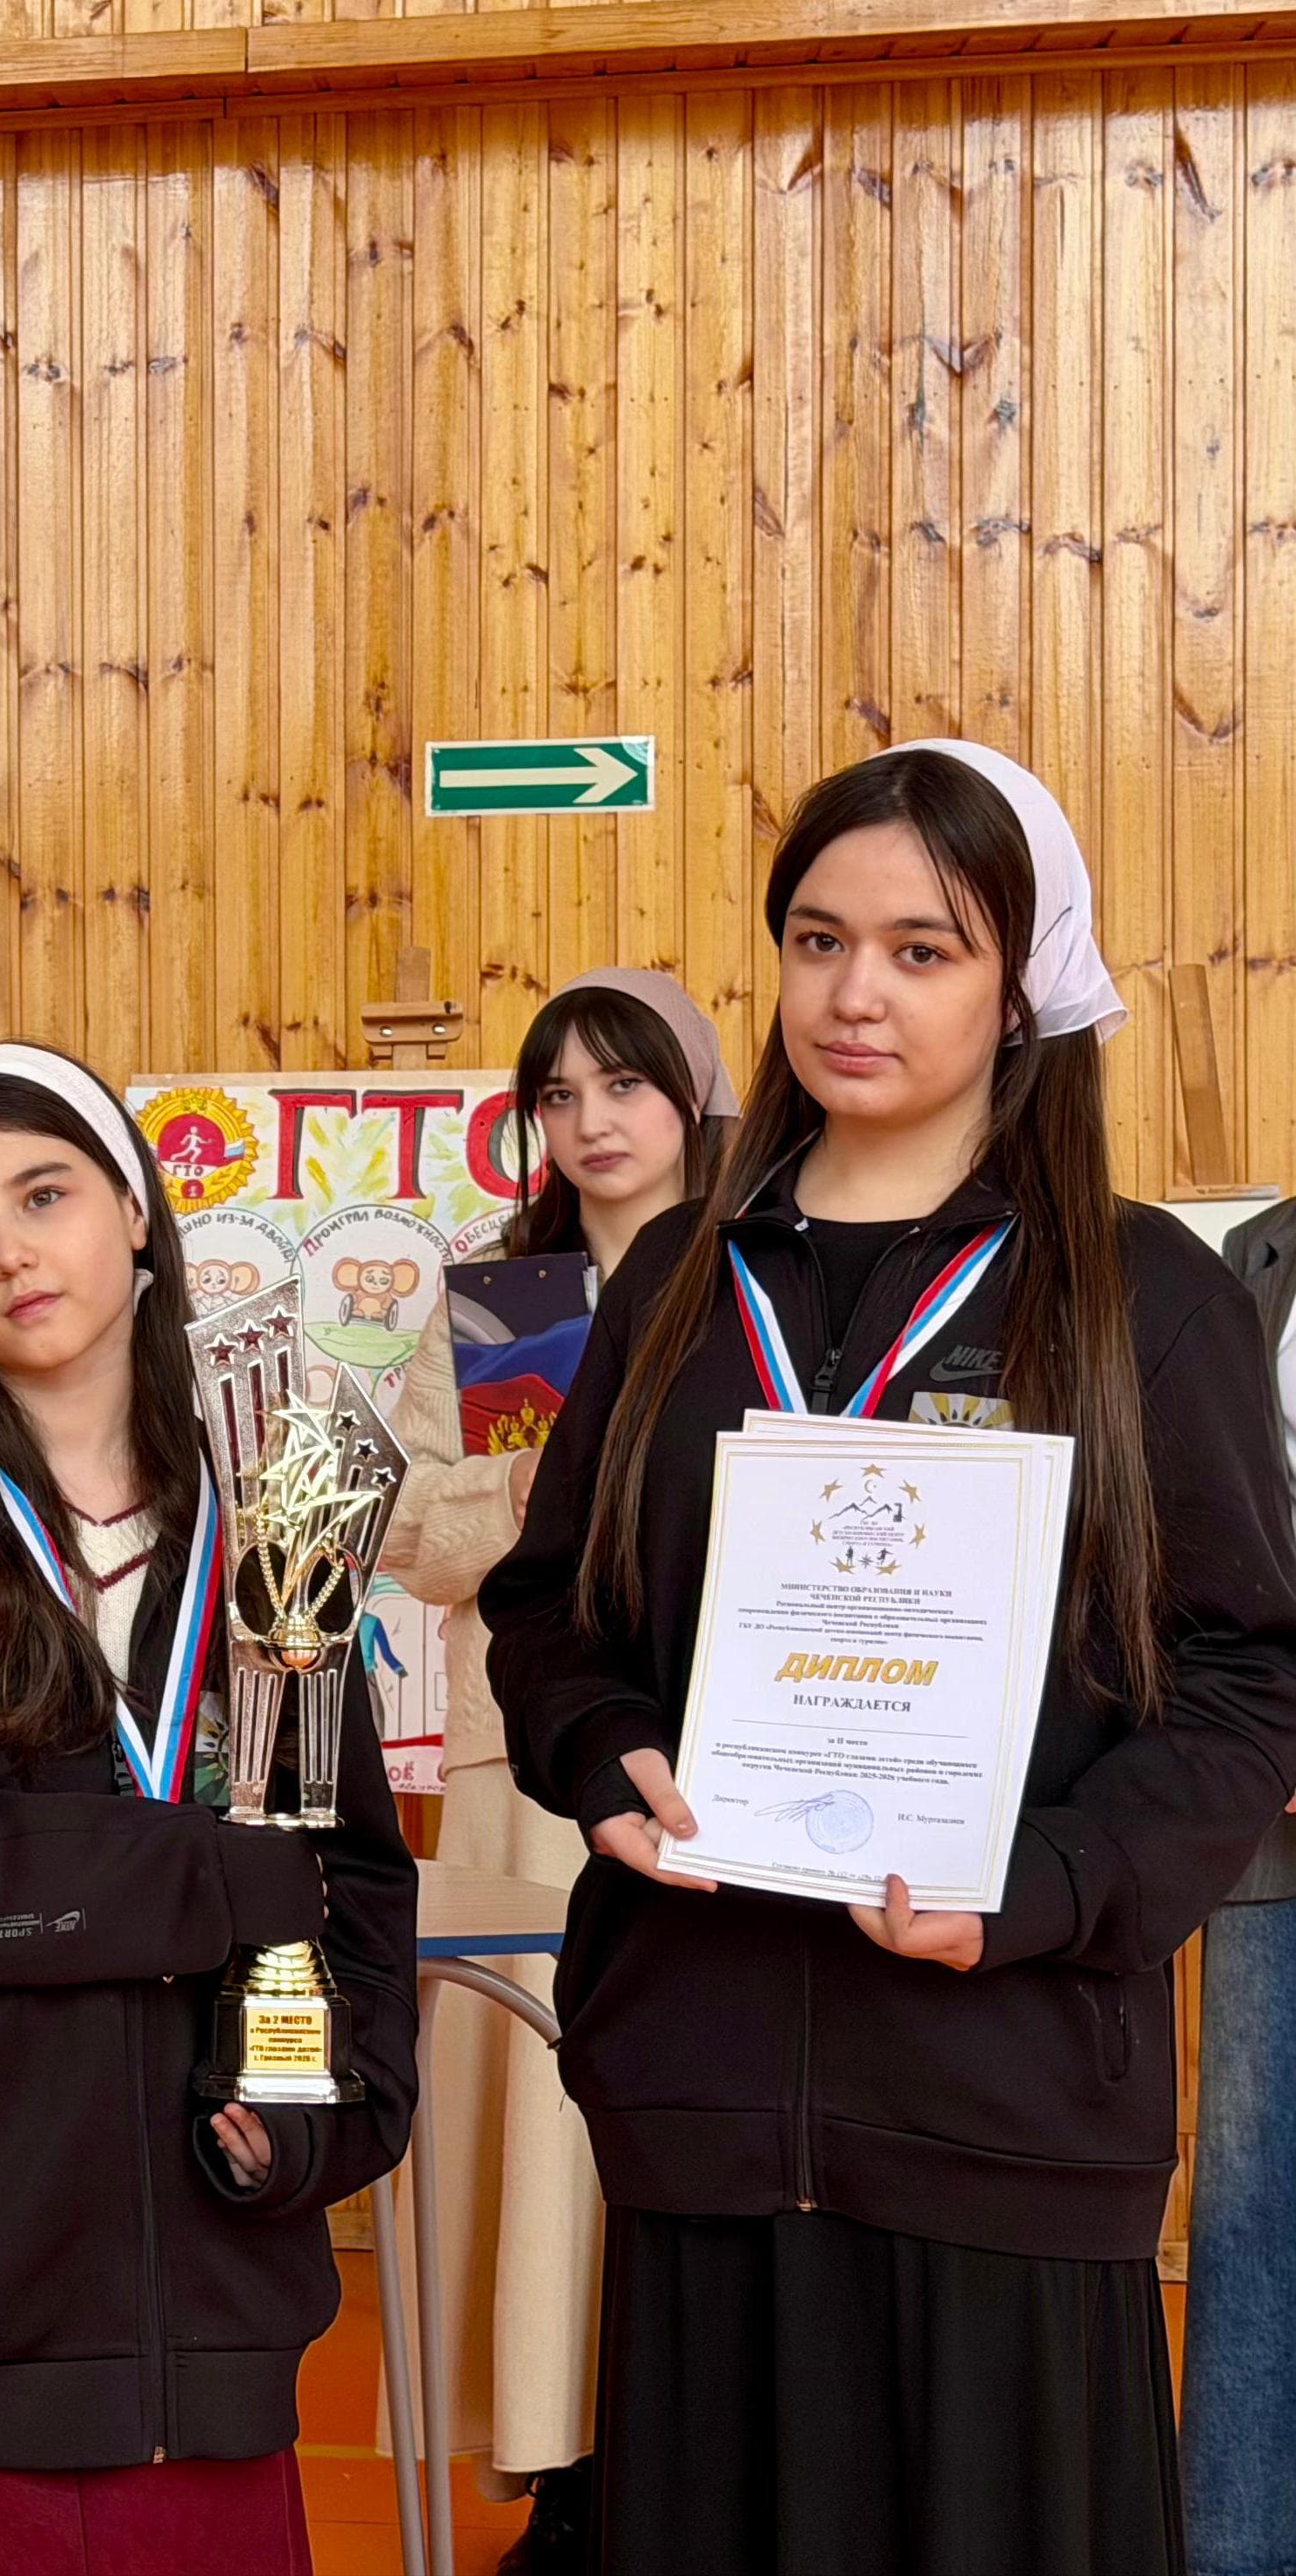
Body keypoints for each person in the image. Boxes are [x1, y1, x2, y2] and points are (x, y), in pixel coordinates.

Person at [479, 738, 1296, 2576]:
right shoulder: (676, 1281)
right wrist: (601, 1756)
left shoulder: (1141, 1298)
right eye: (820, 940)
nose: (857, 993)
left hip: (1003, 2111)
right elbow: (549, 1614)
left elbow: (1249, 1682)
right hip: (699, 2103)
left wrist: (1039, 1885)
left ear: (1019, 987)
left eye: (924, 950)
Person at [0, 1042, 418, 2576]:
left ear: (132, 1212)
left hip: (223, 2283)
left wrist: (325, 2121)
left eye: (43, 1195)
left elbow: (353, 1880)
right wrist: (191, 1876)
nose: (10, 1253)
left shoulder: (280, 1515)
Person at [377, 968, 734, 2573]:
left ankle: (688, 2469)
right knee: (532, 2131)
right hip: (520, 1763)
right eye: (558, 1094)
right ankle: (564, 2477)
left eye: (625, 1085)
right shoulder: (500, 1305)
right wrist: (534, 1485)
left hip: (708, 1763)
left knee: (673, 2113)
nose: (590, 1121)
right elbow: (406, 1533)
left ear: (694, 1101)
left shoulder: (748, 1280)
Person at [1180, 1194, 1296, 2576]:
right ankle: (1234, 2550)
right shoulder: (1248, 1257)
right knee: (1253, 2219)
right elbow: (1216, 1532)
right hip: (1266, 1825)